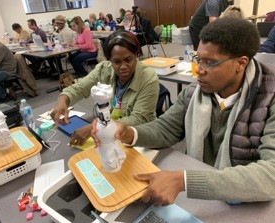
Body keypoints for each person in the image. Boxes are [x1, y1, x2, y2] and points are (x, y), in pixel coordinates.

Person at [93, 17, 275, 206]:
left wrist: (184, 181)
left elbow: (270, 176)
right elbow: (166, 129)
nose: (198, 71)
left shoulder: (269, 98)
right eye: (198, 59)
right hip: (200, 186)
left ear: (241, 63)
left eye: (209, 63)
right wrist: (127, 132)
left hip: (244, 199)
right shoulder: (195, 91)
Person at [51, 30, 159, 146]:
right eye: (116, 62)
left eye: (128, 60)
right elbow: (80, 89)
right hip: (111, 133)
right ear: (109, 60)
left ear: (136, 55)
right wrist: (63, 100)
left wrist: (99, 126)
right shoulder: (103, 70)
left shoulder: (148, 78)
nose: (123, 67)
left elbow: (138, 119)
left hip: (137, 136)